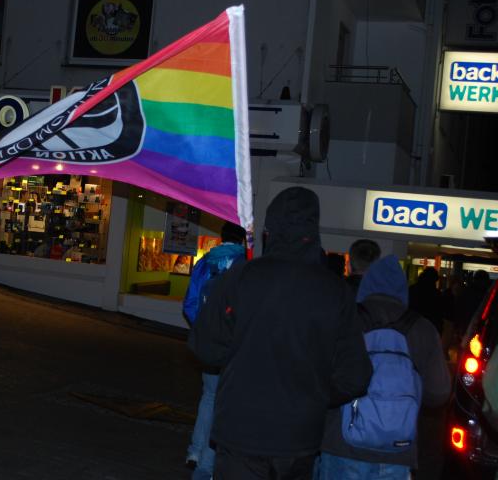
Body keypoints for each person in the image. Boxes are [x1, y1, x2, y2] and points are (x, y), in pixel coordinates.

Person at [190, 186, 372, 480]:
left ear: (268, 232)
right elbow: (355, 375)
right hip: (298, 437)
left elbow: (205, 346)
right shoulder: (335, 292)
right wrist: (314, 394)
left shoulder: (240, 278)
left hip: (241, 430)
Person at [316, 255, 451, 479]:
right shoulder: (423, 329)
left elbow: (318, 376)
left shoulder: (344, 319)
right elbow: (439, 393)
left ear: (366, 288)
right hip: (397, 450)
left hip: (342, 446)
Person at [183, 221, 247, 480]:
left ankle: (195, 451)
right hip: (233, 346)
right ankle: (207, 465)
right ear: (243, 240)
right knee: (224, 403)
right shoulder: (246, 266)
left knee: (208, 397)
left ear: (221, 237)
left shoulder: (205, 262)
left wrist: (203, 329)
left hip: (209, 344)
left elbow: (190, 302)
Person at [409, 267, 444, 335]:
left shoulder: (413, 289)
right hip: (429, 328)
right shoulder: (436, 294)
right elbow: (438, 315)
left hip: (412, 325)